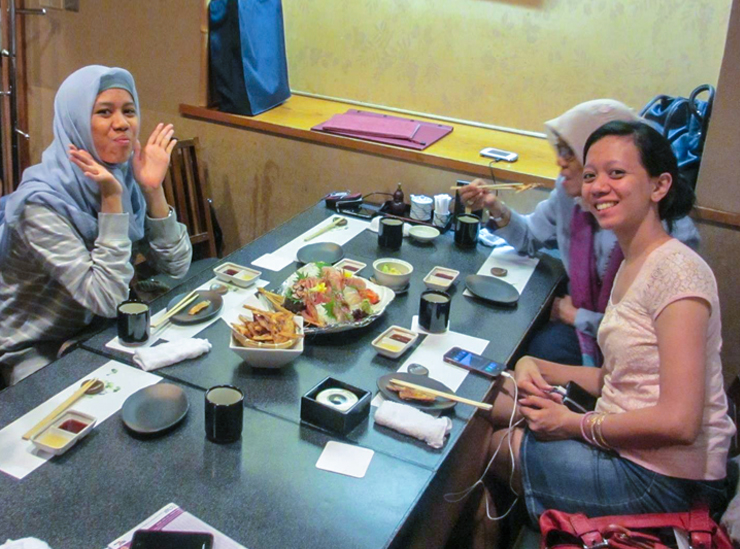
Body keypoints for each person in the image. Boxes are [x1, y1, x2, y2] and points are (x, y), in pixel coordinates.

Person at [481, 120, 734, 532]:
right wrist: (533, 364)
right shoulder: (633, 259)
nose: (599, 187)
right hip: (628, 447)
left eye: (617, 173)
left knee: (488, 442)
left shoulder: (679, 274)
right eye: (591, 175)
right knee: (494, 397)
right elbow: (623, 378)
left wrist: (573, 424)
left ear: (659, 185)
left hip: (663, 480)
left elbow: (680, 422)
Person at [459, 100, 699, 366]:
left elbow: (644, 342)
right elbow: (530, 236)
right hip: (590, 326)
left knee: (538, 353)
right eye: (591, 174)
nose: (560, 161)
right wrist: (493, 206)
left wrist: (575, 316)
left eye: (569, 152)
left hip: (628, 351)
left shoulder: (670, 247)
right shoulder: (570, 196)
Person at [0, 65, 192, 386]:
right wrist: (111, 203)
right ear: (75, 122)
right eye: (104, 112)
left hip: (94, 330)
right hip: (34, 348)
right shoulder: (39, 205)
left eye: (129, 111)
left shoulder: (122, 176)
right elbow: (106, 297)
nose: (121, 123)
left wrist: (153, 190)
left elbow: (176, 265)